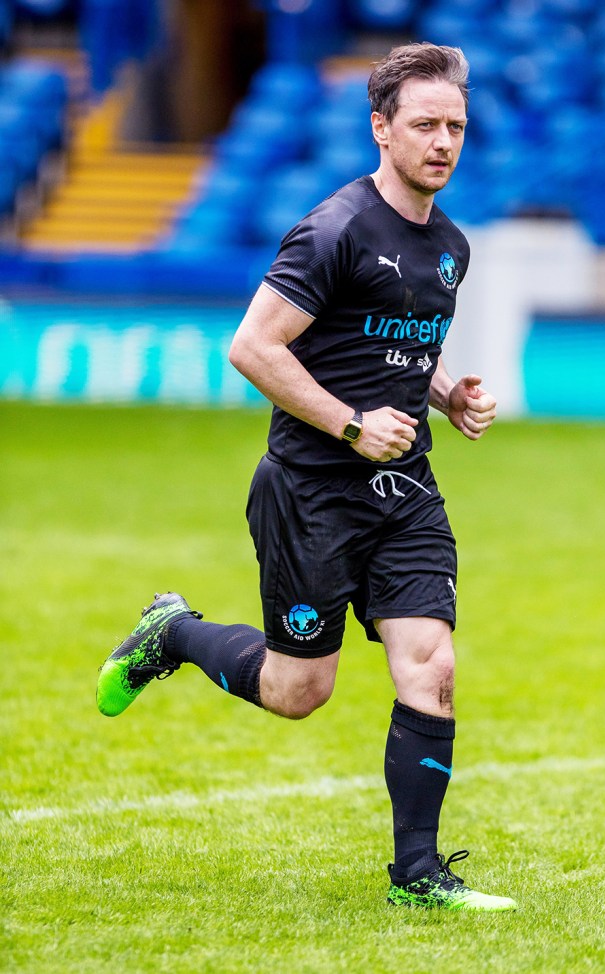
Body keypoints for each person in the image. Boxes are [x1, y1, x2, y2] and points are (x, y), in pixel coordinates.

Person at [97, 41, 517, 913]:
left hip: (403, 491)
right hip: (311, 492)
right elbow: (253, 346)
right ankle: (170, 634)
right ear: (381, 128)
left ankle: (419, 875)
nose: (444, 142)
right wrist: (351, 425)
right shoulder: (333, 230)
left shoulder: (451, 246)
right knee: (299, 691)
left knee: (430, 665)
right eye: (426, 124)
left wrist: (445, 396)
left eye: (457, 127)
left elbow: (385, 349)